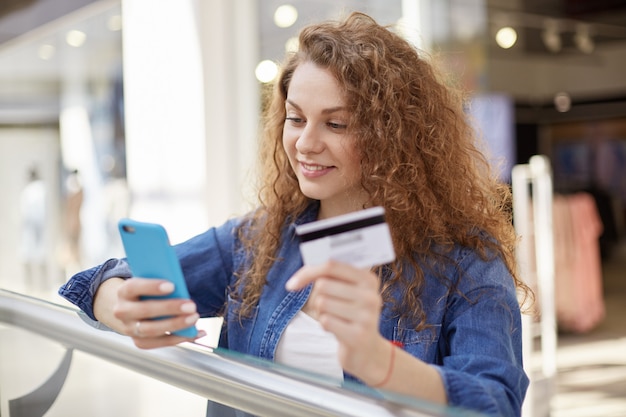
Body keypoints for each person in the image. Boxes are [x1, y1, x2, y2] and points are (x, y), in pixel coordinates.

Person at [59, 11, 530, 416]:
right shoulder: (259, 238)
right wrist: (116, 303)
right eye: (296, 117)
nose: (305, 144)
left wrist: (378, 362)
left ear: (394, 135)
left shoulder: (466, 261)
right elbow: (99, 279)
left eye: (336, 123)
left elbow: (495, 403)